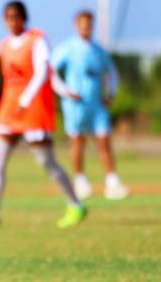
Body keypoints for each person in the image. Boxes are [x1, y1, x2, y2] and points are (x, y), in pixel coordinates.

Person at [0, 0, 86, 230]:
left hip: (33, 109)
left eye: (16, 17)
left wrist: (59, 92)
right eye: (8, 17)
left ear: (23, 17)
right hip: (9, 109)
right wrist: (17, 102)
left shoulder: (37, 39)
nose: (12, 21)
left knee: (46, 162)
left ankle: (75, 205)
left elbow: (44, 72)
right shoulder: (4, 45)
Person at [51, 10, 129, 200]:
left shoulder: (98, 50)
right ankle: (80, 181)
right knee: (78, 142)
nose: (86, 28)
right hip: (75, 106)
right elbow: (50, 72)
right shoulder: (67, 48)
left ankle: (112, 182)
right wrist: (66, 91)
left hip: (96, 105)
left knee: (104, 141)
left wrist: (110, 94)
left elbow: (112, 73)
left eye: (89, 24)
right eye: (82, 24)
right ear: (76, 25)